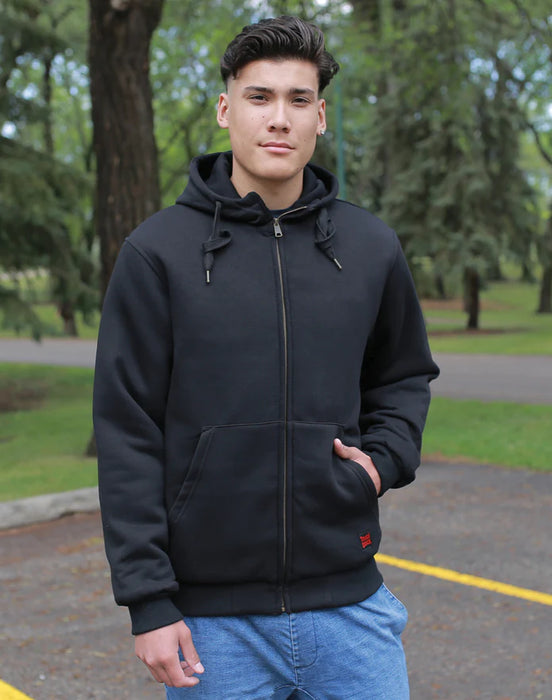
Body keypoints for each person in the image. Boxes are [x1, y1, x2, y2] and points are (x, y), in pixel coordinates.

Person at [93, 15, 439, 699]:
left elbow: (404, 376)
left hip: (351, 609)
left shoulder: (370, 247)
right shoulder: (157, 253)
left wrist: (382, 462)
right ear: (226, 110)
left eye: (298, 99)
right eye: (260, 97)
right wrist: (149, 601)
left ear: (320, 118)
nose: (279, 118)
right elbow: (127, 432)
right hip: (213, 628)